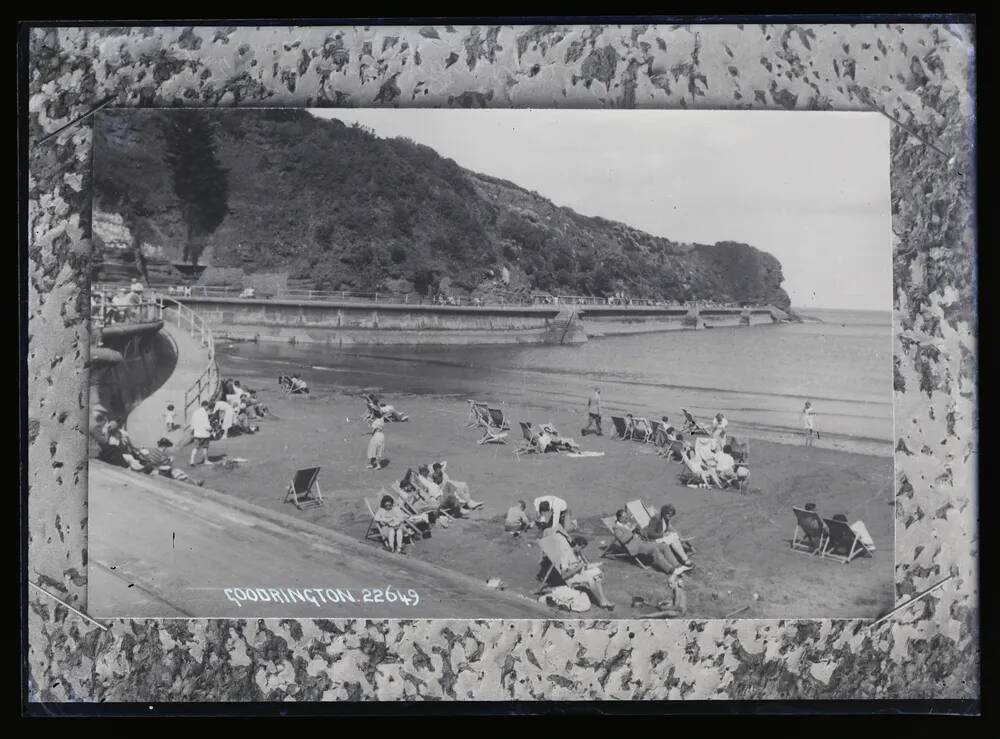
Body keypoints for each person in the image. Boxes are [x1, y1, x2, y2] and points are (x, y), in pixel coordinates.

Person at [612, 509, 688, 575]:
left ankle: (676, 565)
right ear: (620, 518)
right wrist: (631, 532)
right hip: (635, 546)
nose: (627, 518)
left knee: (663, 545)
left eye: (627, 517)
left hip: (641, 542)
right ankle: (670, 570)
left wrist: (637, 531)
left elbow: (636, 534)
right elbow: (623, 540)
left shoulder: (625, 524)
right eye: (625, 517)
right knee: (654, 549)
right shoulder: (616, 528)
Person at [555, 536, 615, 611]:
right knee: (592, 577)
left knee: (597, 571)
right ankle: (601, 601)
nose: (581, 549)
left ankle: (603, 599)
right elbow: (564, 576)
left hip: (581, 573)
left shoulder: (577, 553)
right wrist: (578, 568)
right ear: (576, 544)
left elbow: (585, 565)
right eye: (581, 547)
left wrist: (598, 564)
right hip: (573, 577)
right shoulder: (566, 554)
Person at [189, 400, 213, 466]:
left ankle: (192, 461)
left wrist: (192, 430)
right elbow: (206, 425)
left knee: (195, 447)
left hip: (197, 433)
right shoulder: (204, 413)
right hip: (204, 434)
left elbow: (192, 422)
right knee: (205, 447)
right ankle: (206, 460)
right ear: (206, 406)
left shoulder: (195, 412)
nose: (208, 407)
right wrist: (211, 429)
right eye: (208, 406)